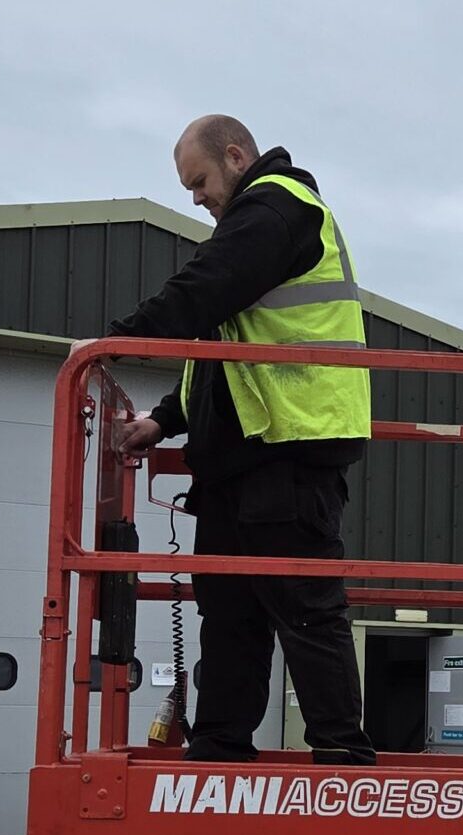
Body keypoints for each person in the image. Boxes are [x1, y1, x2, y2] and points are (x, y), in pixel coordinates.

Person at [107, 114, 375, 765]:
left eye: (199, 182)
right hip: (242, 459)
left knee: (304, 608)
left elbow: (203, 290)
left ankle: (342, 756)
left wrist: (114, 341)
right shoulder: (257, 223)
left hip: (291, 451)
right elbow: (222, 360)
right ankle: (220, 745)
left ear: (235, 156)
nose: (197, 197)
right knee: (229, 613)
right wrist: (164, 420)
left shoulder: (278, 207)